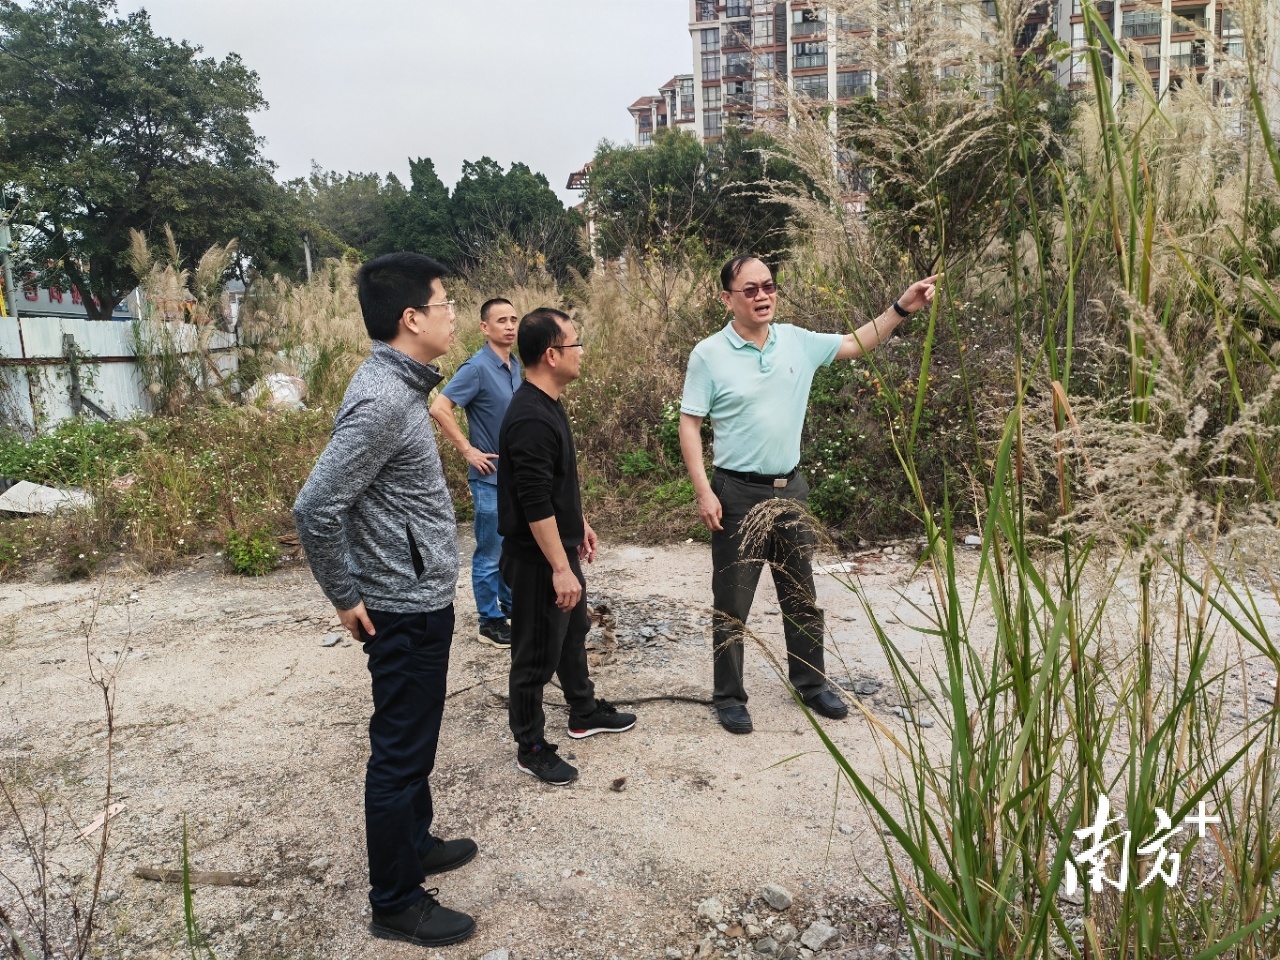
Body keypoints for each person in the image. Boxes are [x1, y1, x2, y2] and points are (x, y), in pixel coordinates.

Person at [292, 252, 476, 948]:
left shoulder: (403, 387)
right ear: (411, 318)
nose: (452, 313)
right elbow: (314, 506)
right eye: (444, 302)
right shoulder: (379, 399)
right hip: (400, 606)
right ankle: (396, 900)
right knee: (398, 752)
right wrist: (344, 595)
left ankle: (416, 842)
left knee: (417, 737)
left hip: (419, 592)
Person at [679, 255, 938, 735]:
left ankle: (811, 682)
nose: (762, 296)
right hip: (736, 492)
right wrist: (703, 491)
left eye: (769, 287)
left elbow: (854, 343)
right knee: (732, 600)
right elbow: (690, 423)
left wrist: (901, 307)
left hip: (789, 488)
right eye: (750, 289)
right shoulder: (708, 354)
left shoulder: (796, 340)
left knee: (800, 593)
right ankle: (729, 696)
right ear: (727, 298)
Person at [498, 307, 636, 785]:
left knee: (572, 631)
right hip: (538, 560)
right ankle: (531, 745)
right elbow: (533, 502)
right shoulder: (530, 418)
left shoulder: (547, 402)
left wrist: (581, 524)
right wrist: (560, 566)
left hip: (557, 550)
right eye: (576, 344)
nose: (582, 353)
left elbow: (554, 487)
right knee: (534, 653)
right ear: (552, 354)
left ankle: (583, 710)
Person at [430, 297, 522, 650]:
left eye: (513, 319)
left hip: (515, 479)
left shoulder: (514, 365)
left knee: (512, 550)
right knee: (490, 552)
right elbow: (439, 407)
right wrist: (468, 450)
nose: (510, 326)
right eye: (501, 320)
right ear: (485, 327)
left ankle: (511, 609)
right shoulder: (477, 367)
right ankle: (489, 621)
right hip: (489, 478)